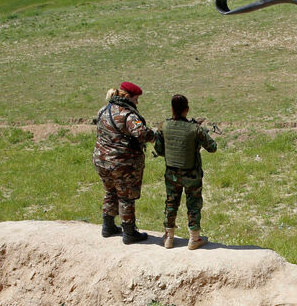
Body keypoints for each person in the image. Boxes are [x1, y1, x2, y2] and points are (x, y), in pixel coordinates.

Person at [93, 81, 157, 244]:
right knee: (126, 195)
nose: (137, 102)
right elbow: (141, 133)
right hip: (122, 163)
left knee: (111, 191)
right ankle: (129, 232)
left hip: (101, 160)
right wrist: (155, 135)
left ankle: (108, 227)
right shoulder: (128, 115)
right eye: (136, 98)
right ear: (128, 97)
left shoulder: (103, 110)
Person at [153, 94, 218, 250]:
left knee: (171, 202)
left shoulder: (164, 126)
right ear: (187, 110)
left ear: (172, 109)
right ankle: (194, 239)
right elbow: (213, 147)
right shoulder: (195, 129)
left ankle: (168, 238)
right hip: (192, 174)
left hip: (171, 173)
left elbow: (159, 150)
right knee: (194, 204)